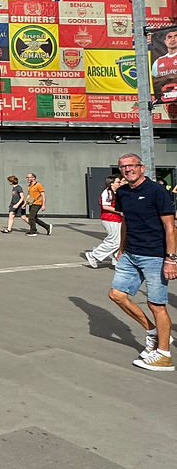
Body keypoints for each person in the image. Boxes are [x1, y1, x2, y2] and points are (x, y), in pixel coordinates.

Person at [109, 152, 176, 372]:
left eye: (131, 166)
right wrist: (121, 249)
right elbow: (126, 222)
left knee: (156, 305)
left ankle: (164, 355)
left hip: (155, 255)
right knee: (117, 295)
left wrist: (171, 259)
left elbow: (170, 227)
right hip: (130, 253)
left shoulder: (158, 192)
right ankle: (152, 332)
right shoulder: (123, 193)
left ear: (142, 168)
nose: (127, 170)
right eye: (123, 167)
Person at [84, 174, 122, 267]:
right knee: (114, 241)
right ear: (111, 183)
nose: (120, 184)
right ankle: (93, 255)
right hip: (110, 219)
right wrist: (120, 211)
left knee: (119, 241)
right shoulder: (107, 193)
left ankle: (116, 258)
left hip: (117, 219)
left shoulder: (116, 192)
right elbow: (105, 206)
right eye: (118, 182)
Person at [25, 171, 51, 236]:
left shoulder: (38, 185)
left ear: (33, 178)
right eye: (27, 177)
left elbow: (43, 195)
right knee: (34, 218)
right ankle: (47, 227)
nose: (27, 179)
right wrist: (25, 203)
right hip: (31, 203)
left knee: (31, 217)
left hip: (37, 203)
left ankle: (33, 231)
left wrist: (43, 205)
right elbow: (29, 196)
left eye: (29, 177)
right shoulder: (29, 186)